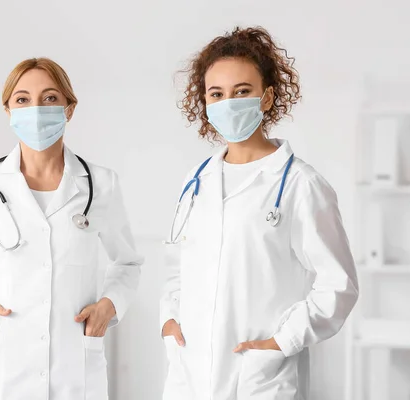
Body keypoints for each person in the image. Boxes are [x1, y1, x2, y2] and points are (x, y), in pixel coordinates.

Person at [0, 57, 143, 400]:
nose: (36, 110)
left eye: (50, 98)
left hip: (75, 371)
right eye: (22, 100)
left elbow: (127, 263)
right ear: (8, 111)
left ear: (69, 108)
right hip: (3, 369)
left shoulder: (101, 184)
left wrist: (110, 305)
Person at [159, 26, 359, 400]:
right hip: (188, 376)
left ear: (266, 97)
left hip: (260, 379)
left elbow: (339, 284)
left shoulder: (301, 184)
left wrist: (283, 341)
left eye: (242, 92)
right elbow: (176, 265)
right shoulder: (196, 180)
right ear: (204, 101)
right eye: (216, 94)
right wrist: (170, 322)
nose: (228, 103)